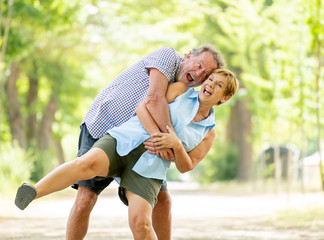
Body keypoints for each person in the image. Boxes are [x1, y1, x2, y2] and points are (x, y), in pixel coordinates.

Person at [15, 69, 239, 240]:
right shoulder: (180, 90)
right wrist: (157, 132)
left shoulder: (208, 133)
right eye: (210, 79)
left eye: (218, 85)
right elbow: (143, 106)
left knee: (140, 224)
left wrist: (177, 145)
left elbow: (187, 166)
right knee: (86, 163)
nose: (209, 84)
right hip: (126, 139)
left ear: (223, 98)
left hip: (150, 168)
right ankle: (34, 191)